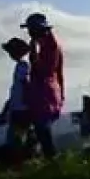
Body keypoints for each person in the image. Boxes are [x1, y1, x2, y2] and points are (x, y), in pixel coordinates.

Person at [22, 11, 63, 159]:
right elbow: (59, 72)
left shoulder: (49, 47)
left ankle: (52, 163)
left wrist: (33, 53)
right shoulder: (51, 45)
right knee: (40, 131)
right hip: (49, 93)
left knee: (42, 131)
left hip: (44, 94)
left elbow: (42, 70)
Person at [0, 37, 33, 166]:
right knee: (17, 141)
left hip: (21, 110)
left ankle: (16, 166)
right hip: (19, 109)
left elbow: (25, 85)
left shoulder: (23, 65)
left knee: (15, 142)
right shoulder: (22, 65)